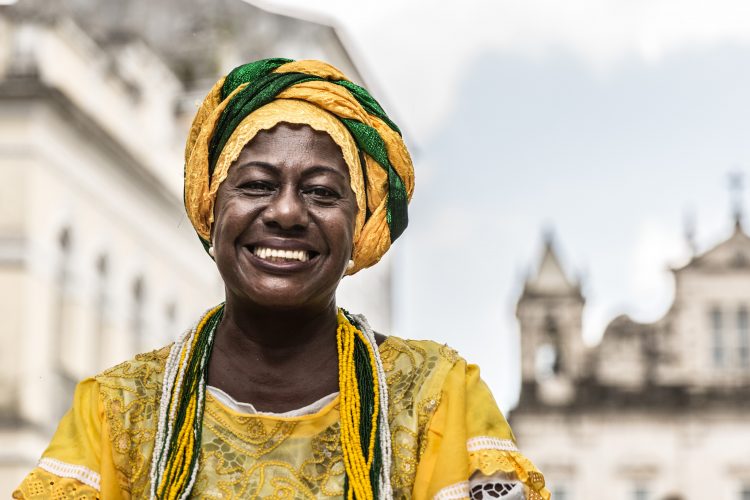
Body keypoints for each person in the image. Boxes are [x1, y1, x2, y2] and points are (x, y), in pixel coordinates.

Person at [13, 58, 549, 500]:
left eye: (321, 191)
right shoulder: (118, 411)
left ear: (359, 225)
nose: (288, 212)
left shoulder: (437, 396)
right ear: (210, 205)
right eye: (256, 184)